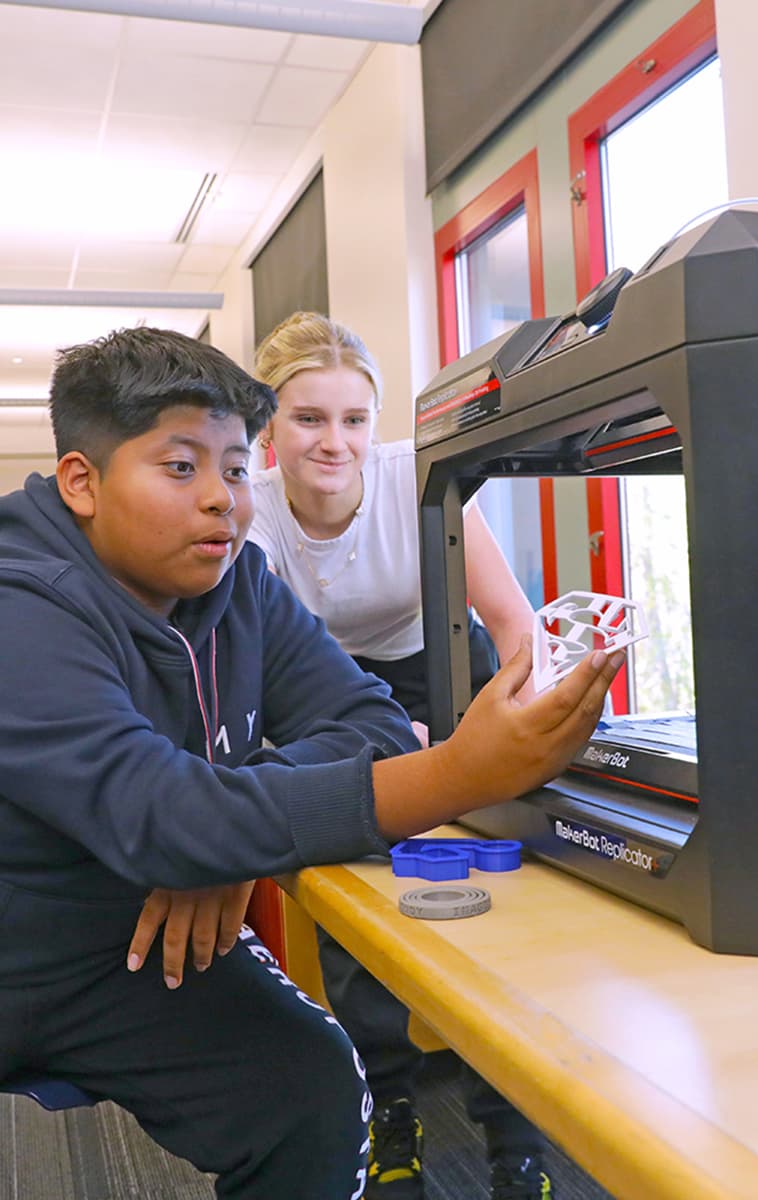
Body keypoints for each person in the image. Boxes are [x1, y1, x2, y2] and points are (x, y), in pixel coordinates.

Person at [0, 327, 622, 1200]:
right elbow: (158, 817)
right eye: (181, 468)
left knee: (315, 1095)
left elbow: (367, 720)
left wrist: (223, 837)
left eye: (230, 467)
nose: (222, 498)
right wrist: (461, 774)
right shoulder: (20, 602)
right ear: (82, 482)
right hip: (19, 944)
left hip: (136, 952)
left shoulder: (240, 585)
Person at [249, 312, 550, 1200]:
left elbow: (512, 624)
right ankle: (391, 1109)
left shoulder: (414, 480)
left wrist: (500, 738)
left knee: (497, 890)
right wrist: (388, 751)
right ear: (269, 424)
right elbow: (267, 670)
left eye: (353, 418)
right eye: (308, 419)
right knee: (356, 892)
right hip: (321, 693)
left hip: (445, 674)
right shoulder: (249, 513)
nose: (333, 442)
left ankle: (516, 1137)